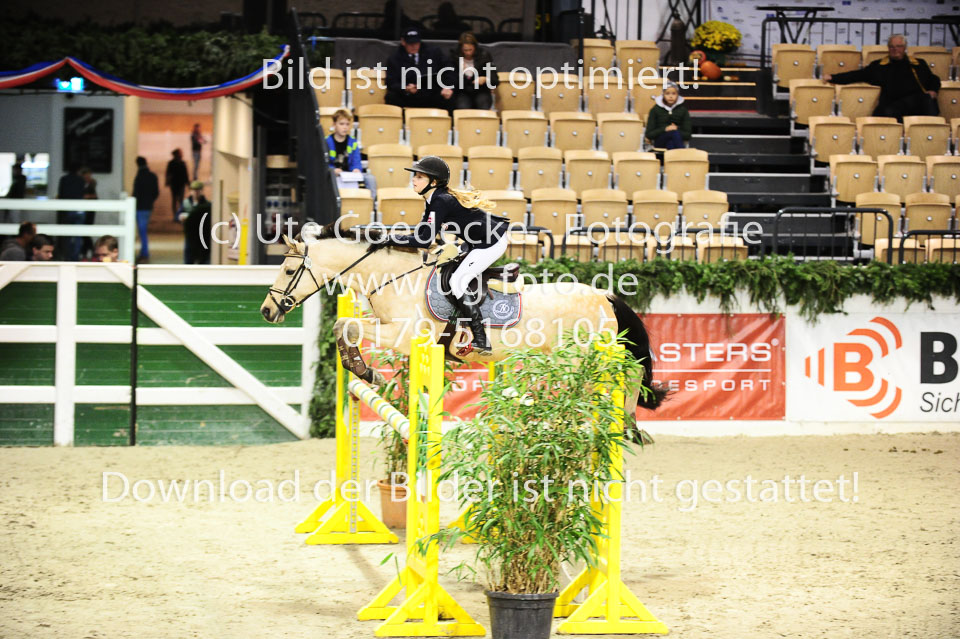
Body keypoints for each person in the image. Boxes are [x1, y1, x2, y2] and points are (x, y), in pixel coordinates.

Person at [376, 156, 509, 356]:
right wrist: (391, 238)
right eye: (415, 175)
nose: (414, 179)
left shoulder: (440, 201)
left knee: (458, 281)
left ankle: (481, 339)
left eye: (419, 176)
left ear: (434, 182)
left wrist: (389, 239)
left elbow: (423, 241)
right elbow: (421, 234)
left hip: (491, 242)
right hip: (476, 241)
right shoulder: (432, 200)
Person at [824, 34, 940, 121]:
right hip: (893, 106)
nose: (895, 49)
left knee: (927, 100)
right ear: (888, 48)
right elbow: (857, 75)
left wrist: (933, 90)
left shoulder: (918, 64)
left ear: (905, 47)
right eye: (892, 47)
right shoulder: (879, 66)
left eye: (899, 46)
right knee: (886, 113)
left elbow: (934, 79)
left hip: (916, 103)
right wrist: (833, 77)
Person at [385, 28, 455, 110]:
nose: (414, 46)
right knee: (391, 97)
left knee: (448, 97)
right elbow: (391, 82)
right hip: (408, 95)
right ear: (403, 42)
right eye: (410, 43)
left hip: (430, 93)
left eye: (416, 43)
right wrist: (405, 88)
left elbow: (449, 70)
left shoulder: (434, 53)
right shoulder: (394, 59)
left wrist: (447, 87)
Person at [326, 109, 378, 203]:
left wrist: (356, 169)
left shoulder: (353, 142)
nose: (345, 127)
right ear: (334, 125)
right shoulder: (326, 141)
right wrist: (333, 170)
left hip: (350, 174)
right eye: (341, 124)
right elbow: (324, 163)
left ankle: (372, 204)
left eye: (347, 124)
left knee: (370, 178)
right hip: (334, 174)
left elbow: (356, 161)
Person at [450, 32, 496, 110]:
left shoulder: (484, 55)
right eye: (465, 50)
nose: (468, 53)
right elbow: (451, 77)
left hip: (481, 90)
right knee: (462, 107)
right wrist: (461, 74)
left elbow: (495, 79)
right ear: (461, 49)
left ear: (475, 47)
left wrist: (485, 79)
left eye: (470, 50)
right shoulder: (455, 57)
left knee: (483, 104)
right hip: (462, 91)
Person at [644, 81, 692, 150]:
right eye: (667, 93)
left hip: (676, 140)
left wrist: (676, 129)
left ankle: (674, 155)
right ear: (663, 94)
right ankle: (682, 153)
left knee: (671, 142)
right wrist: (665, 129)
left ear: (678, 95)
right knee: (673, 134)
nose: (671, 96)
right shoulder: (655, 110)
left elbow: (688, 135)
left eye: (674, 93)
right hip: (660, 141)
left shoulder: (683, 110)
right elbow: (649, 134)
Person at [56, 165, 86, 261]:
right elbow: (82, 194)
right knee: (78, 235)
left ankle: (67, 256)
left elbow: (61, 194)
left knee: (66, 235)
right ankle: (75, 256)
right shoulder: (81, 180)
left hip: (66, 209)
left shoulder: (64, 179)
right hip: (78, 209)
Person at [132, 156, 159, 263]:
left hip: (140, 207)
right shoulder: (152, 176)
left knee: (142, 231)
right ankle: (144, 252)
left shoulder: (139, 176)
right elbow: (156, 192)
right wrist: (150, 200)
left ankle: (144, 253)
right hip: (148, 206)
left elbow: (136, 193)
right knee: (143, 231)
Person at [178, 180, 212, 264]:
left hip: (202, 235)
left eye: (198, 190)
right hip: (189, 235)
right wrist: (180, 217)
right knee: (189, 259)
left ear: (201, 191)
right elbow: (178, 214)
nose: (195, 192)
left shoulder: (206, 204)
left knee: (203, 259)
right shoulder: (186, 203)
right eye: (193, 190)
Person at [79, 167, 98, 260]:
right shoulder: (81, 184)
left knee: (86, 233)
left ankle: (89, 252)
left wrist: (87, 196)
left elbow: (95, 196)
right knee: (84, 233)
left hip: (90, 211)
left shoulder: (92, 184)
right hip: (83, 210)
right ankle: (87, 252)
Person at [165, 149, 189, 220]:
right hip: (175, 184)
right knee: (176, 200)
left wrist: (187, 182)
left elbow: (185, 174)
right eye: (180, 153)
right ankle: (176, 215)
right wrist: (167, 181)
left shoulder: (181, 163)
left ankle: (178, 215)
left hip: (180, 184)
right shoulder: (173, 163)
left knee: (179, 200)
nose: (182, 154)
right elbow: (168, 173)